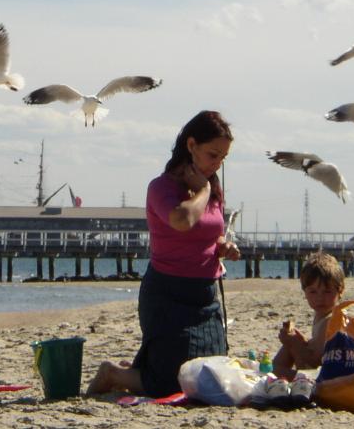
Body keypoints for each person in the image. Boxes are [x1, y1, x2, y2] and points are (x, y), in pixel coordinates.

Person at [86, 110, 241, 397]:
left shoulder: (212, 189)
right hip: (168, 292)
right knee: (170, 382)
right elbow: (182, 221)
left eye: (223, 158)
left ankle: (129, 372)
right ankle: (112, 373)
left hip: (204, 294)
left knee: (208, 376)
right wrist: (204, 190)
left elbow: (209, 231)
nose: (217, 164)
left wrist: (222, 245)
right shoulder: (162, 187)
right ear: (191, 145)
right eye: (213, 155)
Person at [272, 251, 344, 380]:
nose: (320, 298)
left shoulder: (331, 321)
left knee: (276, 370)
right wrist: (299, 342)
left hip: (323, 379)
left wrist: (294, 344)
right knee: (289, 346)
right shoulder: (323, 316)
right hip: (318, 373)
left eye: (327, 292)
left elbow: (310, 366)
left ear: (340, 291)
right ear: (304, 291)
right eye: (313, 292)